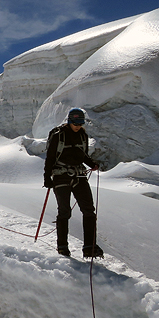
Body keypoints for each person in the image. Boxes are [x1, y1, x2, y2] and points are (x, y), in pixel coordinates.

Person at [43, 107, 103, 258]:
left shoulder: (83, 135)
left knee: (88, 210)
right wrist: (47, 177)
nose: (78, 126)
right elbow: (50, 157)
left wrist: (92, 164)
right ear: (69, 121)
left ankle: (89, 247)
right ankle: (62, 247)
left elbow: (82, 155)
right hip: (60, 175)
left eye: (80, 123)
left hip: (78, 175)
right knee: (64, 211)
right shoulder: (58, 135)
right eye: (76, 123)